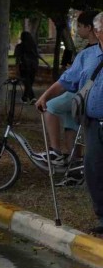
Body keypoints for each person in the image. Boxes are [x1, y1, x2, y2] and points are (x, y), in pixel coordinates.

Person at [36, 12, 103, 234]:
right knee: (94, 170)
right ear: (97, 31)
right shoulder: (87, 56)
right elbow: (66, 81)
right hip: (93, 123)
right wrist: (45, 96)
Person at [14, 31, 41, 103]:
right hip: (33, 66)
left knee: (27, 83)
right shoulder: (33, 46)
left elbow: (17, 59)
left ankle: (32, 97)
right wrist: (37, 66)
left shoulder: (19, 46)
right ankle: (24, 98)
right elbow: (37, 57)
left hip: (24, 66)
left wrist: (17, 68)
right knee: (29, 83)